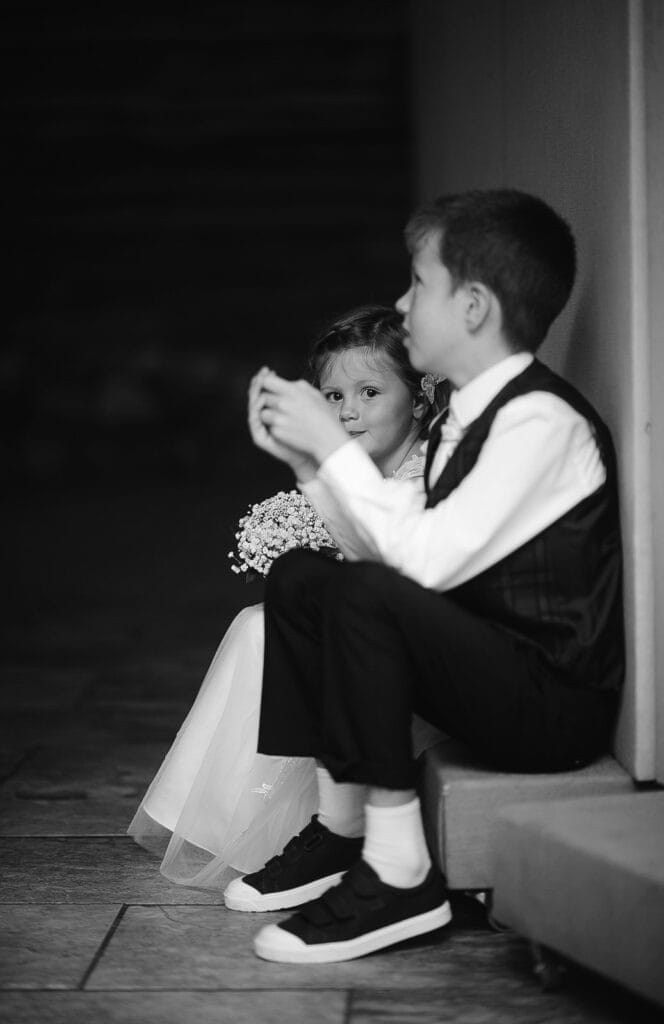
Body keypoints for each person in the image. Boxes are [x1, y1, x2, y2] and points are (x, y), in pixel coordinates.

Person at [237, 188, 625, 965]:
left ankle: (399, 873)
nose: (402, 302)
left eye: (419, 284)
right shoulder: (465, 417)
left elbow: (419, 562)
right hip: (488, 669)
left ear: (475, 307)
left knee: (364, 588)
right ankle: (345, 823)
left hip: (550, 705)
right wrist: (312, 466)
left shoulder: (539, 421)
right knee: (303, 575)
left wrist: (336, 448)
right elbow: (386, 542)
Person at [128, 305, 448, 890]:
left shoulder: (425, 473)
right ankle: (240, 822)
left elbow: (393, 573)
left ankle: (308, 826)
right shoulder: (350, 466)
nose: (348, 411)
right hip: (365, 626)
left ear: (420, 400)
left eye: (370, 391)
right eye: (332, 397)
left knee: (262, 627)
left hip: (409, 653)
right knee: (257, 623)